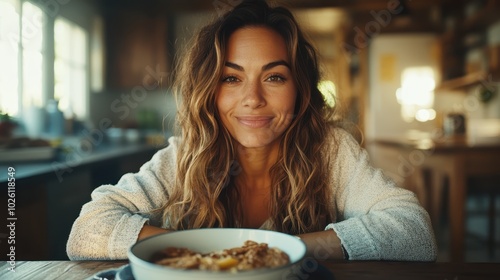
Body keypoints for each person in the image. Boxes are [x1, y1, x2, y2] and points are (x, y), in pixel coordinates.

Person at [67, 0, 437, 261]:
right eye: (231, 78)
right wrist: (219, 250)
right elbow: (86, 231)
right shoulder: (184, 156)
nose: (253, 98)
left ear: (300, 88)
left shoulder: (331, 150)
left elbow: (415, 234)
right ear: (210, 90)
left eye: (274, 77)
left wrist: (280, 252)